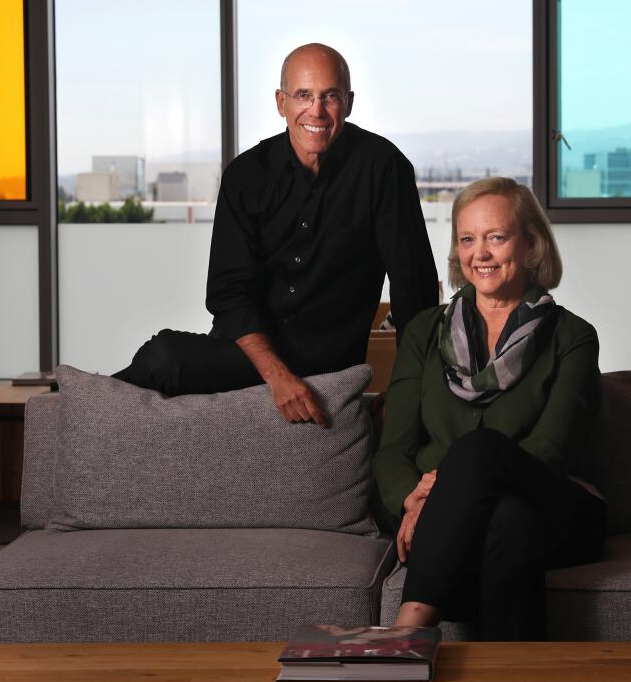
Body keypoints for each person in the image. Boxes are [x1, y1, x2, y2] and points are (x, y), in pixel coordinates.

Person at [113, 44, 438, 423]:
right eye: (303, 95)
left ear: (348, 103)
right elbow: (229, 295)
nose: (315, 111)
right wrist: (277, 377)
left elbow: (415, 292)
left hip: (327, 359)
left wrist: (406, 390)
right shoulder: (245, 175)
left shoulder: (385, 168)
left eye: (329, 96)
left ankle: (79, 401)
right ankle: (78, 406)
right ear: (280, 102)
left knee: (164, 357)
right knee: (162, 356)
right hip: (251, 351)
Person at [372, 177, 606, 641]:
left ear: (531, 243)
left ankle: (407, 632)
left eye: (496, 237)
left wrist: (447, 494)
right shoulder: (423, 333)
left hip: (556, 506)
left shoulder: (573, 337)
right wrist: (413, 499)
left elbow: (550, 450)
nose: (480, 253)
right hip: (501, 521)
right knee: (508, 522)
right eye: (467, 239)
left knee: (479, 452)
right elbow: (392, 450)